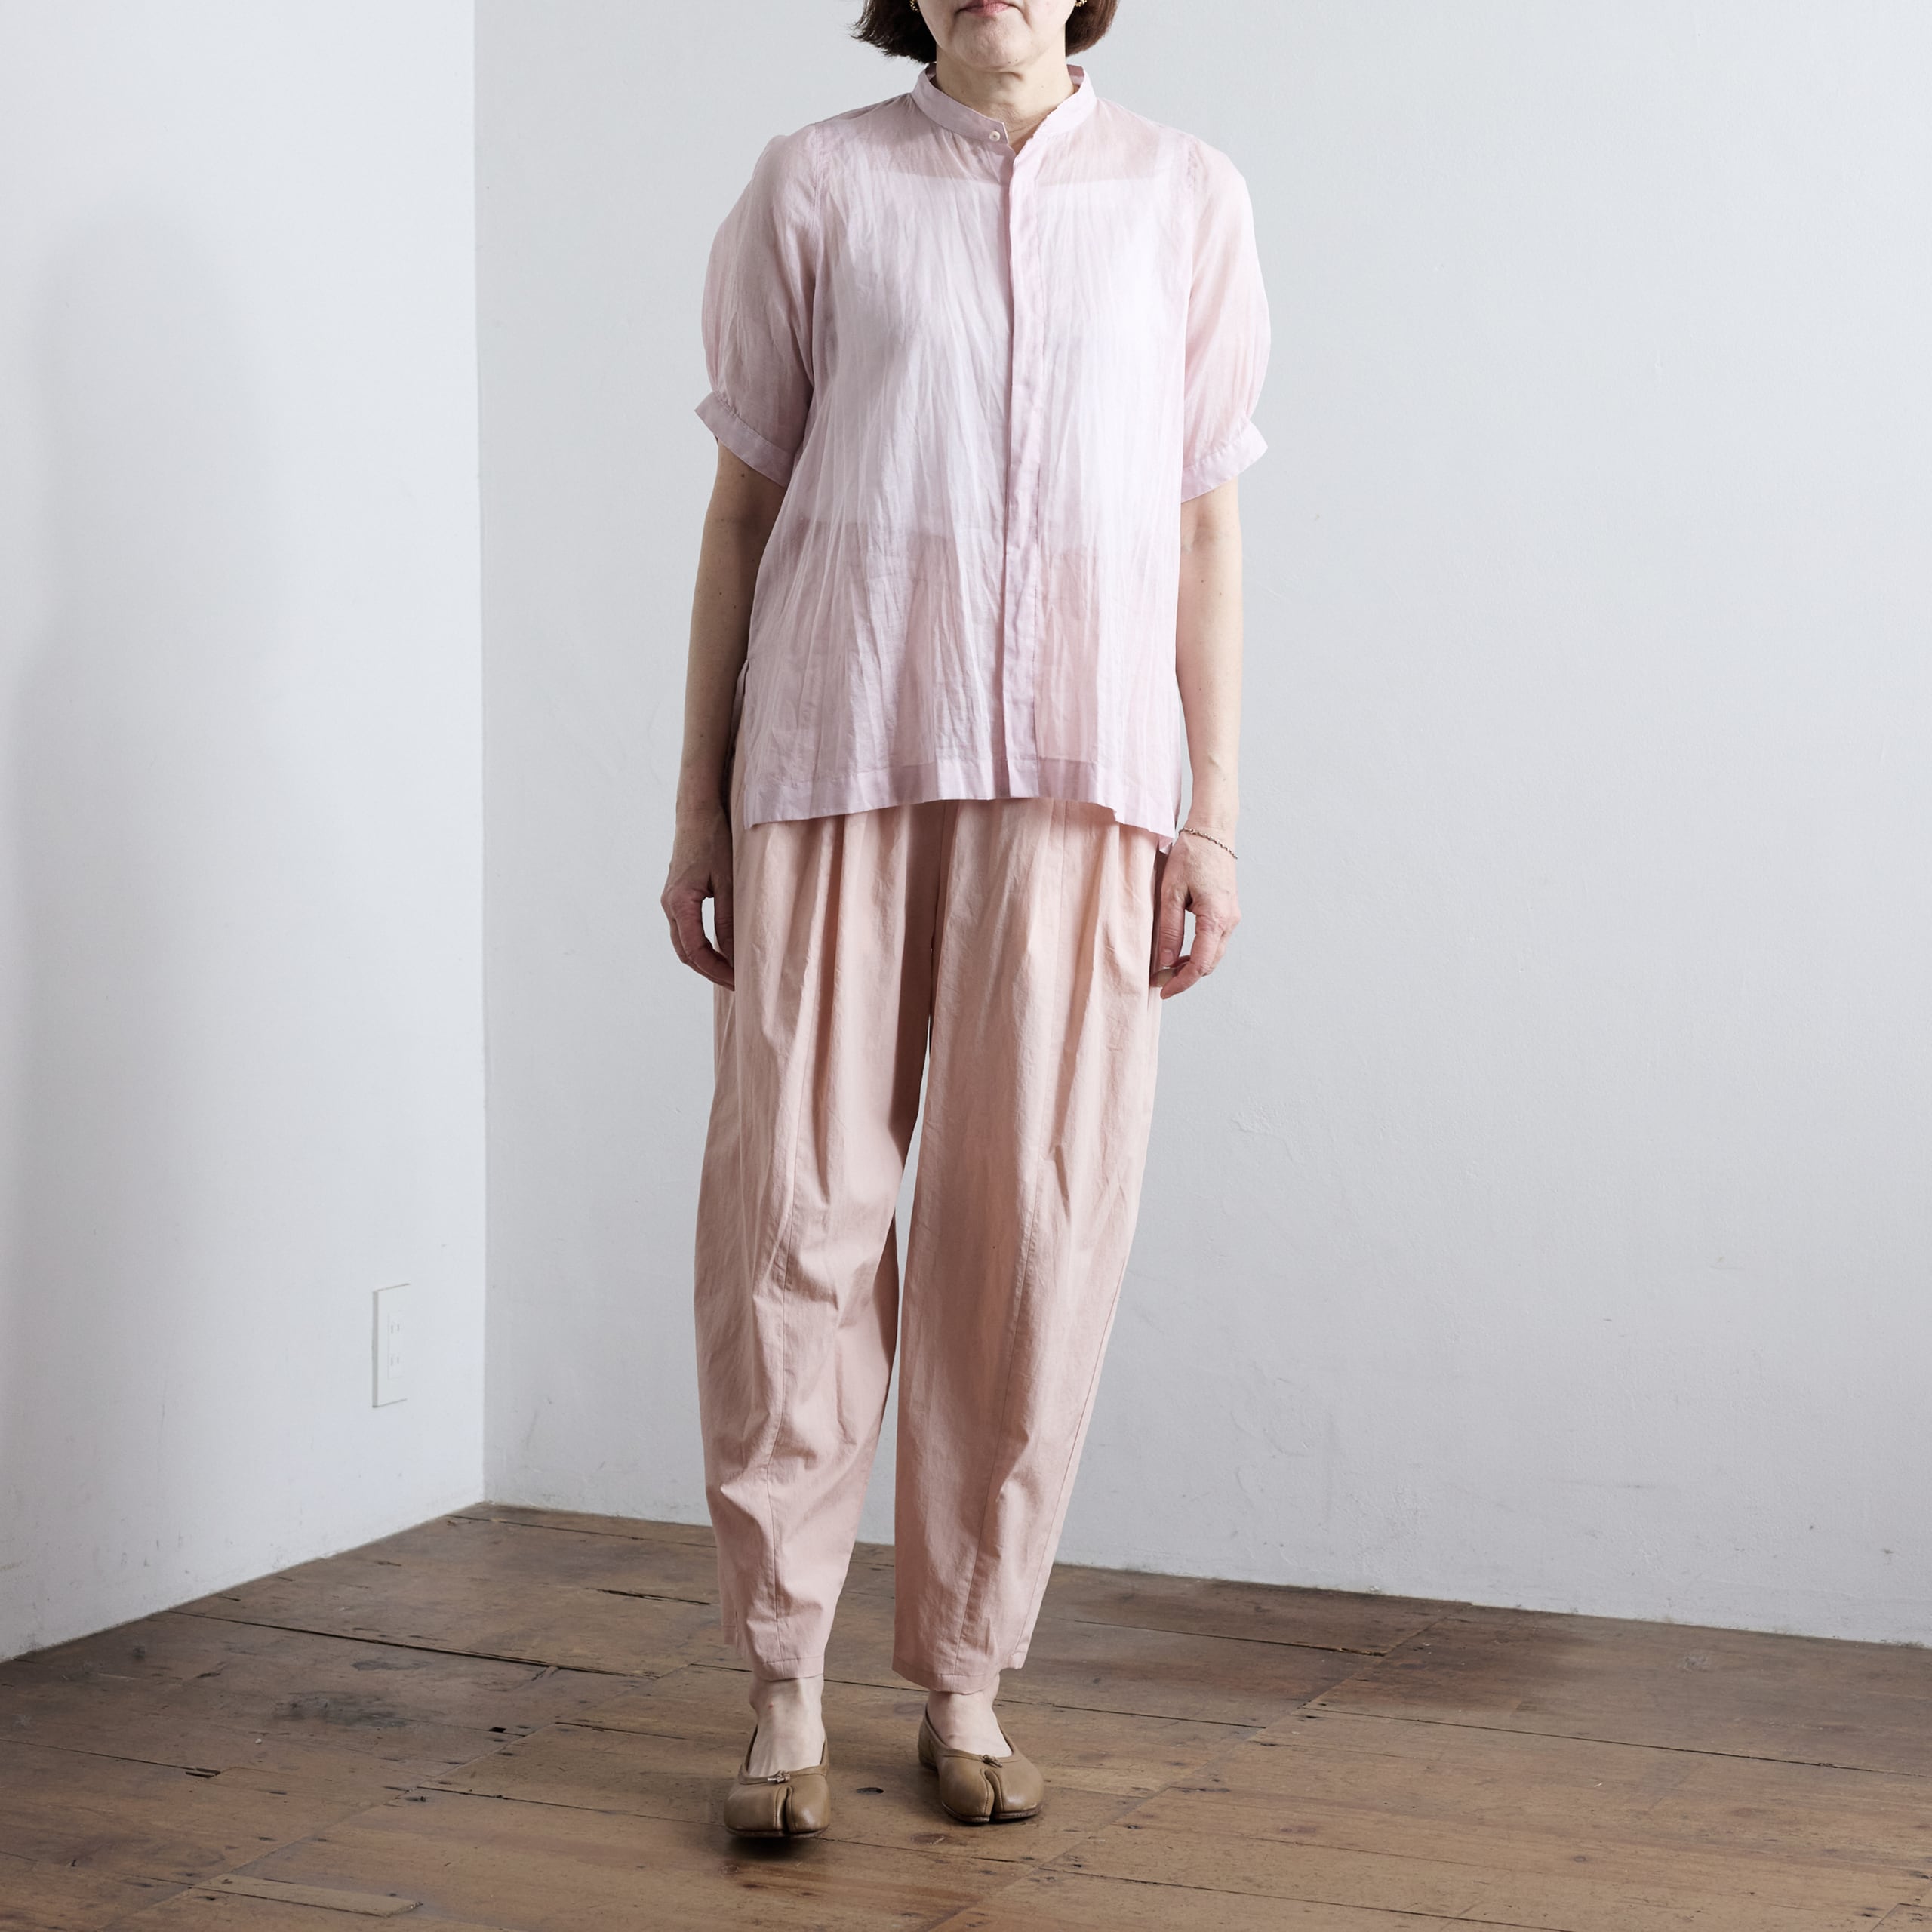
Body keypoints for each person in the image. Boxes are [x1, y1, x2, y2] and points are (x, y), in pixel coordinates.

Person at [661, 0, 1268, 1839]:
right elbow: (740, 511)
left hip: (1085, 783)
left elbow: (1203, 529)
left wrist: (1210, 816)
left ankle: (969, 1675)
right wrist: (692, 801)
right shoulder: (814, 186)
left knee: (1031, 1238)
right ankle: (783, 1683)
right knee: (794, 1221)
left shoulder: (1185, 195)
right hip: (831, 753)